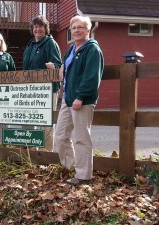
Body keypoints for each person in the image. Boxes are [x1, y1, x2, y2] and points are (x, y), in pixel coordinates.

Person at [54, 15, 104, 185]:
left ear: (87, 30)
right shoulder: (71, 49)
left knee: (81, 138)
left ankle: (84, 176)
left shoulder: (92, 49)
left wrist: (80, 97)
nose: (76, 30)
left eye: (80, 27)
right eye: (73, 28)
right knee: (60, 136)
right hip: (67, 99)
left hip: (81, 101)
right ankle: (72, 167)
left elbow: (91, 77)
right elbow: (66, 67)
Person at [22, 15, 62, 151]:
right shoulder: (30, 45)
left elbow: (58, 64)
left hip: (48, 89)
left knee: (46, 123)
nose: (37, 29)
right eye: (35, 27)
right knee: (31, 119)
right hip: (31, 89)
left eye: (40, 26)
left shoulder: (50, 43)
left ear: (45, 28)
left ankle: (46, 155)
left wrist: (53, 66)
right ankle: (32, 154)